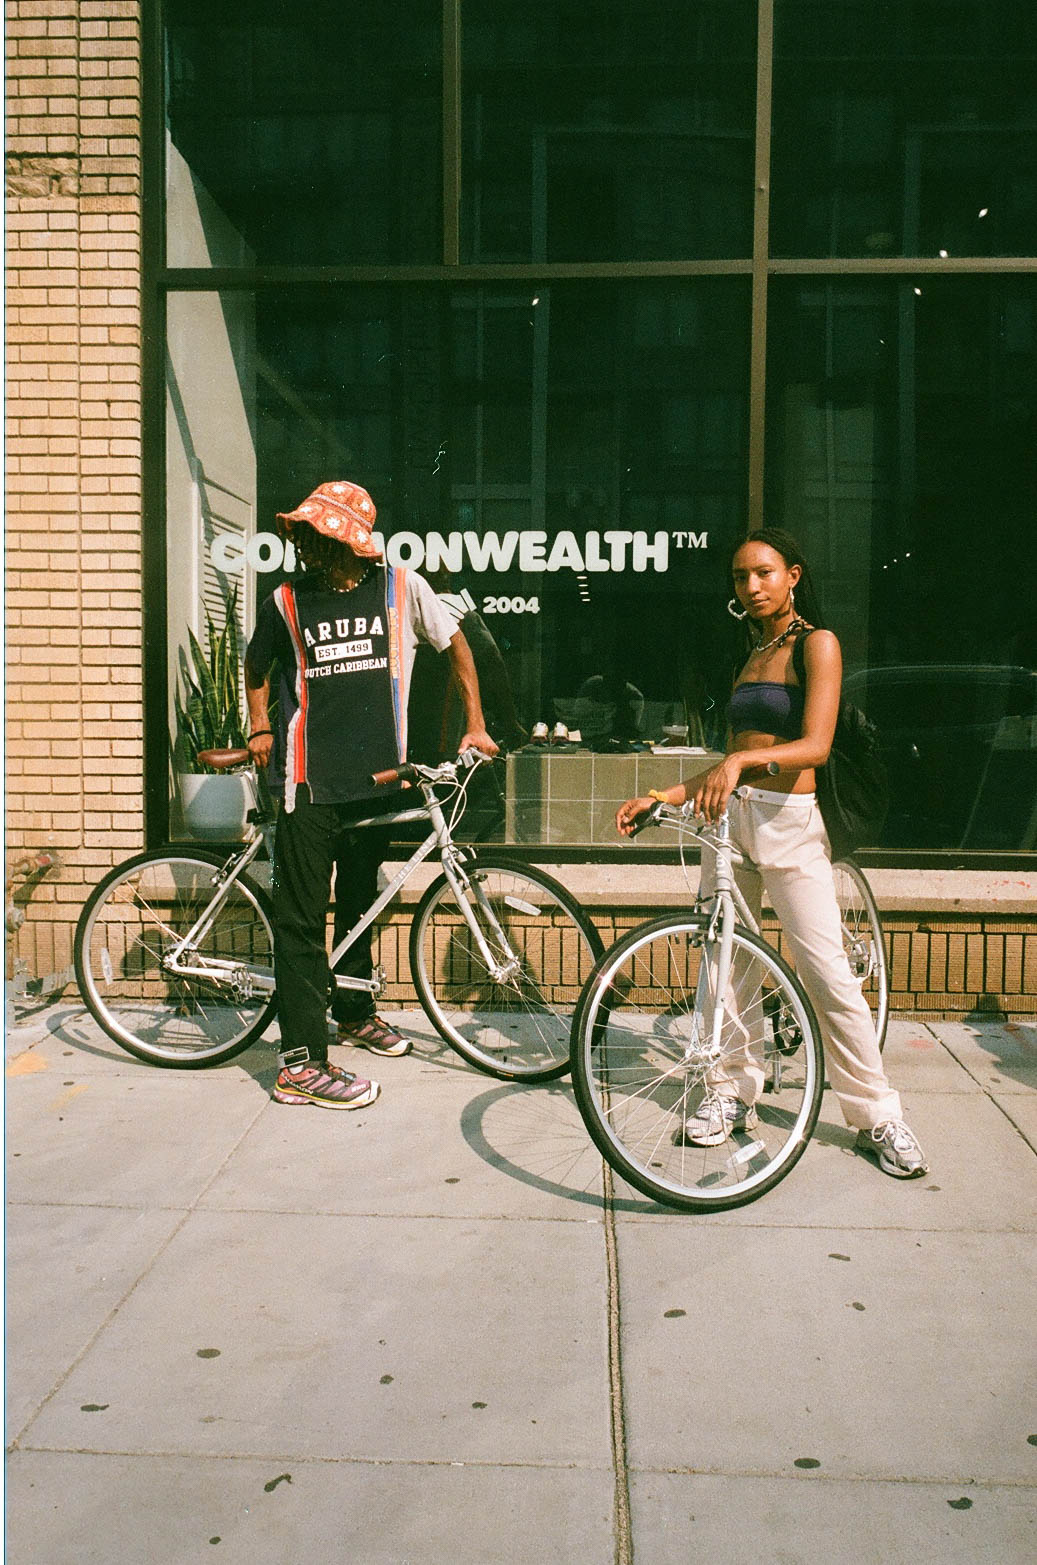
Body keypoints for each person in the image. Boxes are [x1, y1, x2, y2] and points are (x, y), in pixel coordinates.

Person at [616, 527, 929, 1179]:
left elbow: (812, 745)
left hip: (791, 822)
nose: (750, 585)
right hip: (731, 821)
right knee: (725, 966)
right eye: (738, 576)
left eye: (762, 572)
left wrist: (740, 759)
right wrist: (661, 795)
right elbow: (731, 767)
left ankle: (876, 1113)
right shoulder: (750, 653)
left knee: (823, 971)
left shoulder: (817, 644)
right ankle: (731, 1092)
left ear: (792, 574)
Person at [244, 480, 498, 1110]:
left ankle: (354, 1010)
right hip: (308, 783)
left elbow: (457, 647)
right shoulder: (284, 601)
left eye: (325, 537)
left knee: (360, 903)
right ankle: (299, 1063)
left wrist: (476, 722)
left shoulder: (401, 586)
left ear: (354, 544)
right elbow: (255, 667)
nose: (311, 548)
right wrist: (259, 726)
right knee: (302, 919)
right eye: (306, 535)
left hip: (381, 780)